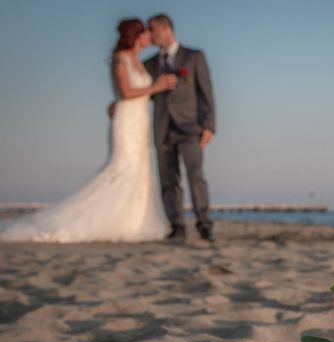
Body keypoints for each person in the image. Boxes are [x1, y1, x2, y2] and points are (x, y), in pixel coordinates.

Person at [0, 18, 175, 243]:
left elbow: (137, 92)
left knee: (139, 170)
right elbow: (125, 91)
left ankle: (132, 221)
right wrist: (155, 87)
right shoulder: (120, 59)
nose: (149, 35)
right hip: (126, 121)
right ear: (136, 36)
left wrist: (149, 91)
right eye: (146, 32)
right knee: (121, 168)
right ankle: (101, 221)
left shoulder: (141, 61)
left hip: (139, 120)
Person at [144, 13, 216, 242]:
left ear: (166, 29)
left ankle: (204, 225)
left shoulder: (194, 57)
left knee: (196, 175)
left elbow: (207, 92)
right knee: (168, 179)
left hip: (190, 127)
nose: (149, 34)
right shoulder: (149, 64)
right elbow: (138, 93)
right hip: (163, 128)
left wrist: (209, 125)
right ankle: (177, 226)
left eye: (152, 29)